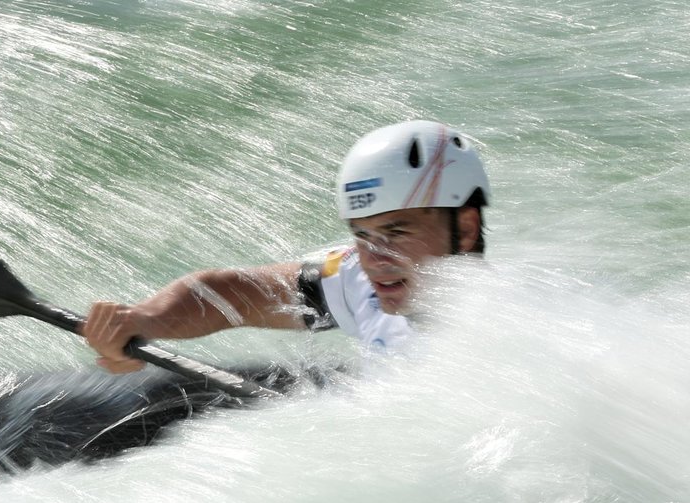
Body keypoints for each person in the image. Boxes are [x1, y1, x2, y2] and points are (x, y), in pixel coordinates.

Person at [82, 120, 490, 372]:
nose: (373, 260)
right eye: (362, 235)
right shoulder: (357, 280)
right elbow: (233, 294)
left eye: (396, 233)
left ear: (466, 228)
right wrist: (145, 320)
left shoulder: (503, 338)